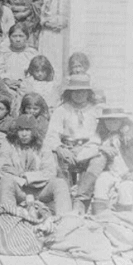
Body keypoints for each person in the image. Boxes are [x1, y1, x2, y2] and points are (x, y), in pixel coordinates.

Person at [44, 74, 102, 214]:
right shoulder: (62, 110)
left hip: (89, 147)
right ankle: (64, 200)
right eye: (75, 91)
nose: (79, 95)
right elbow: (52, 134)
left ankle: (81, 200)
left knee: (99, 159)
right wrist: (60, 148)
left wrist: (84, 150)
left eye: (82, 91)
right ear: (69, 92)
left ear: (89, 93)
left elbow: (100, 135)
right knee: (55, 158)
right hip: (67, 147)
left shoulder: (96, 110)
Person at [0, 114, 72, 216]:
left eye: (28, 130)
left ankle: (65, 218)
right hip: (20, 190)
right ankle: (8, 217)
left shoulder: (43, 144)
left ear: (34, 131)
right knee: (6, 181)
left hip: (41, 190)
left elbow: (50, 172)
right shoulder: (8, 144)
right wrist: (23, 180)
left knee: (59, 183)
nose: (24, 134)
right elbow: (4, 169)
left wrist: (25, 176)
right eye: (21, 130)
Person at [91, 108, 133, 214]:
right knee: (101, 182)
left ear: (122, 121)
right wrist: (101, 148)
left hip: (128, 172)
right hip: (111, 172)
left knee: (125, 189)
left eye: (116, 121)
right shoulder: (102, 136)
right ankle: (100, 214)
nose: (111, 124)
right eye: (108, 121)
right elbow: (87, 149)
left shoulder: (130, 136)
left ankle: (124, 217)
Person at [39, 0, 70, 75]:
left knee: (61, 56)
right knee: (49, 55)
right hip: (49, 33)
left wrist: (64, 24)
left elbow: (71, 16)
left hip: (63, 33)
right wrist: (48, 24)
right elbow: (42, 17)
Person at [0, 23, 38, 92]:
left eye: (21, 36)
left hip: (27, 86)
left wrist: (21, 82)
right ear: (9, 37)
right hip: (5, 85)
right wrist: (6, 80)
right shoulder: (3, 52)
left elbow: (37, 72)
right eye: (14, 36)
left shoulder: (32, 53)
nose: (18, 39)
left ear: (27, 37)